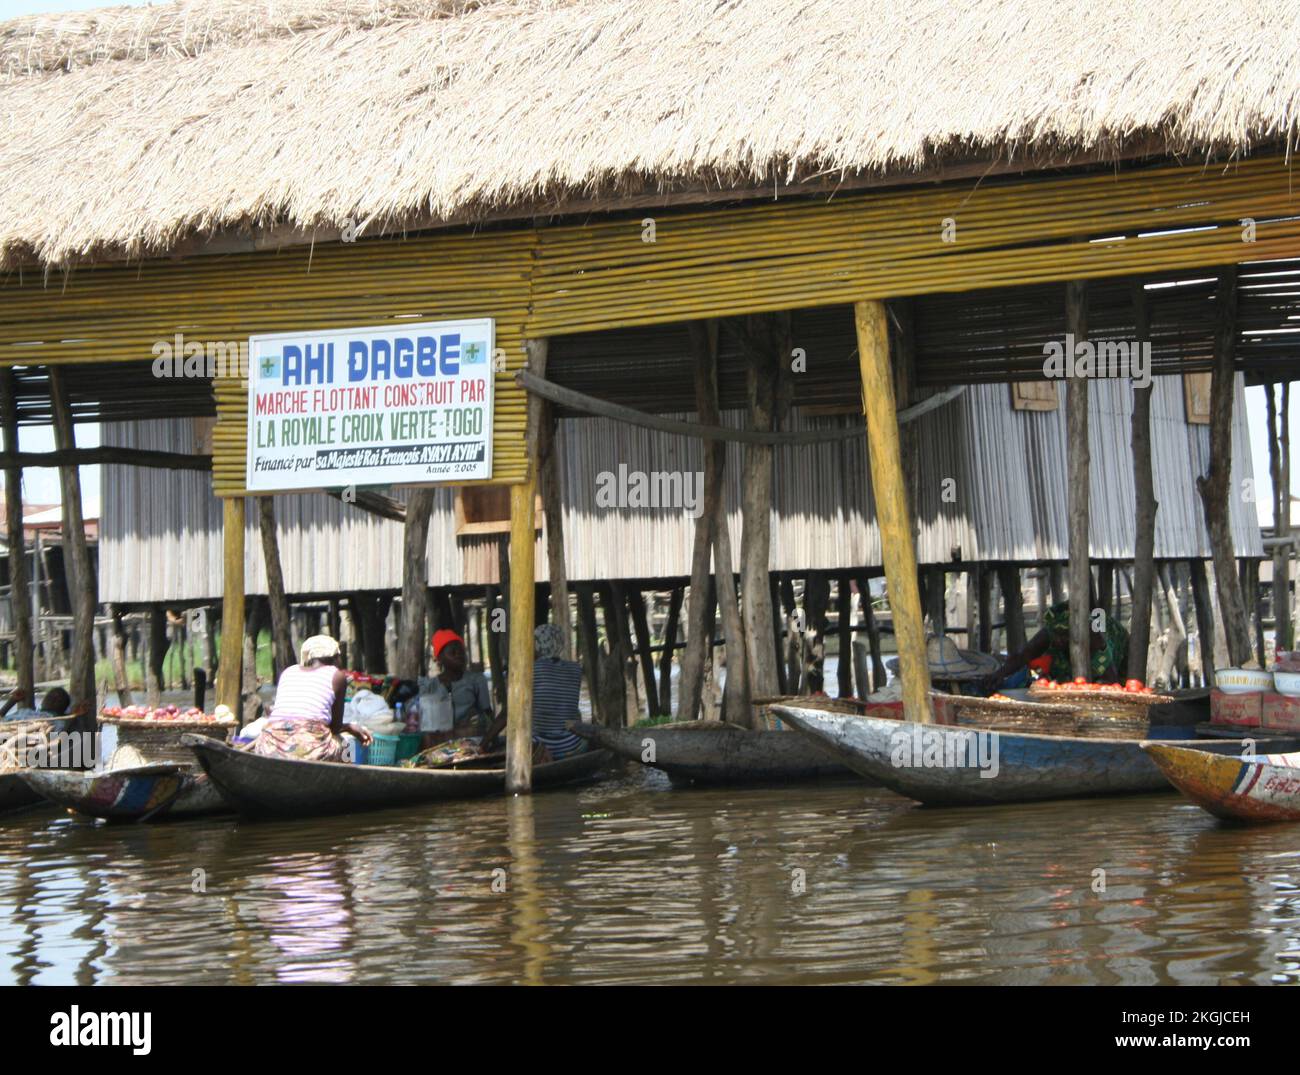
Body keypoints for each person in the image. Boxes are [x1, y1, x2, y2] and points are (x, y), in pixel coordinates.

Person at [253, 635, 372, 762]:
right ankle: (345, 780)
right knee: (347, 745)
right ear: (336, 658)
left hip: (268, 746)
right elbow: (335, 728)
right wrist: (349, 727)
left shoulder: (289, 671)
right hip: (311, 751)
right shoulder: (337, 676)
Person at [982, 600, 1129, 691]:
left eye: (1064, 635)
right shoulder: (1050, 633)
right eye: (1057, 634)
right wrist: (999, 674)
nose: (1058, 639)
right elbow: (1022, 656)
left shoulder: (1096, 642)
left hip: (1115, 649)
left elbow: (1113, 684)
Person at [417, 629, 498, 756]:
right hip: (441, 744)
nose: (459, 655)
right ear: (440, 658)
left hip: (470, 740)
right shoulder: (430, 686)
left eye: (461, 651)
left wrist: (489, 736)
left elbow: (487, 714)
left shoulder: (476, 680)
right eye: (453, 652)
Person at [529, 623, 587, 762]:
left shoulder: (530, 670)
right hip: (573, 743)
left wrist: (484, 744)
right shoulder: (576, 669)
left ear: (537, 645)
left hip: (542, 746)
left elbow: (509, 713)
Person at [1, 686, 71, 722]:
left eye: (58, 698)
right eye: (50, 695)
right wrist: (12, 701)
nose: (51, 699)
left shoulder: (57, 722)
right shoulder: (26, 711)